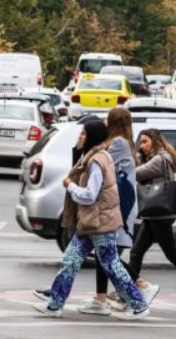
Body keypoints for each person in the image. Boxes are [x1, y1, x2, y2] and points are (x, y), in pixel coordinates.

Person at [33, 120, 149, 320]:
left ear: (92, 137)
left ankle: (138, 305)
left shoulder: (96, 161)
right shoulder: (97, 156)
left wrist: (70, 186)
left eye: (84, 133)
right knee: (71, 260)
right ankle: (55, 304)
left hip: (99, 222)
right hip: (91, 222)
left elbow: (89, 195)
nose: (80, 137)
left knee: (111, 265)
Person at [78, 107, 153, 315]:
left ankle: (140, 285)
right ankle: (102, 298)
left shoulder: (118, 143)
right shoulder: (124, 142)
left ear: (112, 122)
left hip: (119, 205)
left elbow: (99, 161)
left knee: (108, 255)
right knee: (105, 253)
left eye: (107, 119)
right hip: (116, 204)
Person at [127, 128, 176, 312]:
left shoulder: (160, 159)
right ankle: (128, 292)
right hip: (154, 215)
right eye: (140, 142)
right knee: (136, 253)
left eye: (145, 142)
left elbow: (136, 173)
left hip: (159, 216)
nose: (142, 146)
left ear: (155, 141)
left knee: (172, 254)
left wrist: (136, 159)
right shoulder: (159, 157)